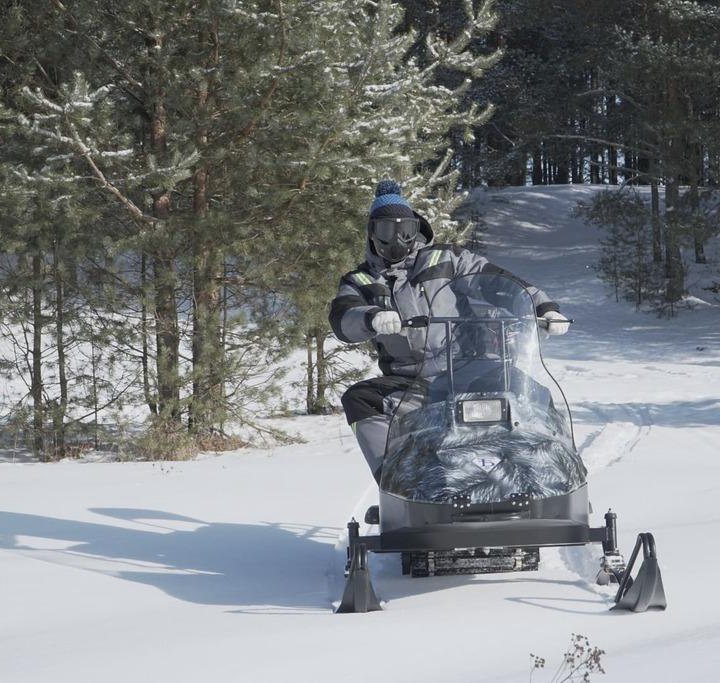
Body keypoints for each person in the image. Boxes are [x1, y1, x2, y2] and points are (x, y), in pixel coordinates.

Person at [329, 180, 570, 483]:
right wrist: (371, 317)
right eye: (386, 231)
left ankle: (556, 473)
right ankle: (396, 481)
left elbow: (497, 283)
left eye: (405, 230)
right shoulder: (361, 280)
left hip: (469, 369)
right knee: (359, 399)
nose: (397, 239)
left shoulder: (448, 260)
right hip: (411, 384)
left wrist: (543, 307)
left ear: (417, 228)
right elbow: (342, 317)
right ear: (372, 233)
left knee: (534, 393)